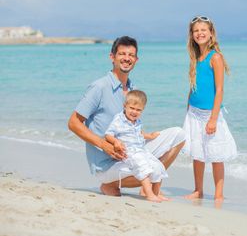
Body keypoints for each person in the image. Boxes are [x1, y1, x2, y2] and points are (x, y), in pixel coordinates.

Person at [68, 36, 185, 196]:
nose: (126, 58)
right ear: (112, 57)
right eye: (122, 54)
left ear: (136, 60)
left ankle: (146, 187)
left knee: (179, 135)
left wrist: (147, 136)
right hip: (107, 163)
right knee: (149, 169)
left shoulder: (133, 89)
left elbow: (131, 128)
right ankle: (109, 184)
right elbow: (73, 123)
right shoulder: (99, 87)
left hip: (130, 152)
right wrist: (104, 145)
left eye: (131, 55)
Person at [183, 15, 237, 202]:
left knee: (215, 155)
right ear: (192, 35)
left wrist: (214, 119)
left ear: (211, 33)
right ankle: (198, 190)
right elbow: (194, 86)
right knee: (197, 154)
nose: (200, 33)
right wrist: (187, 109)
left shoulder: (216, 57)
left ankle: (218, 194)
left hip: (210, 114)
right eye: (196, 31)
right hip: (194, 113)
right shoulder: (196, 57)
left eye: (203, 30)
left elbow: (220, 90)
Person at [105, 90, 168, 202]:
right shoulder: (119, 119)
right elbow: (108, 134)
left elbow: (139, 134)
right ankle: (149, 194)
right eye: (132, 108)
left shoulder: (137, 121)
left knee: (158, 166)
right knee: (142, 166)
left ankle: (156, 192)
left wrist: (149, 136)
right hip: (129, 152)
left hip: (141, 150)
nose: (134, 112)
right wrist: (115, 142)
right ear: (125, 106)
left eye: (138, 110)